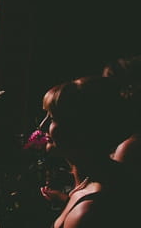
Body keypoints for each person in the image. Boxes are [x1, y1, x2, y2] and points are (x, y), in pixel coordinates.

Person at [40, 76, 136, 228]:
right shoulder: (95, 179)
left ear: (79, 128)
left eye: (52, 118)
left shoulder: (87, 213)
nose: (42, 126)